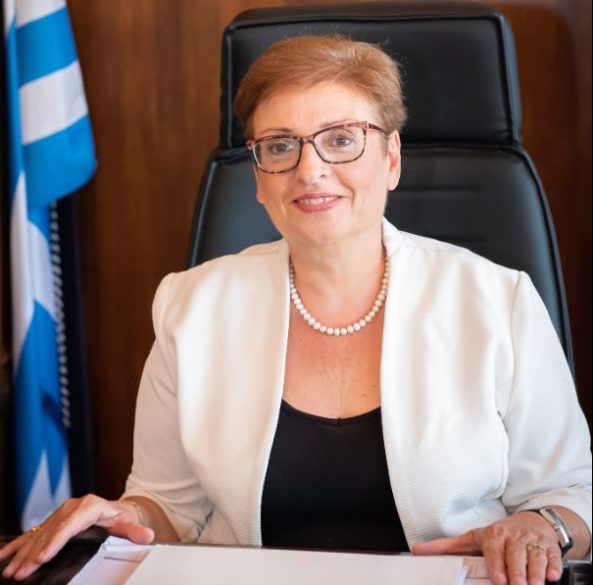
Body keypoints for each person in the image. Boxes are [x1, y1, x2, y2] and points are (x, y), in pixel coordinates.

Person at [1, 35, 591, 585]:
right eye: (281, 146)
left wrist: (543, 526)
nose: (310, 170)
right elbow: (169, 506)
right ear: (259, 178)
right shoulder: (192, 307)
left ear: (391, 158)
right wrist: (123, 515)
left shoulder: (498, 301)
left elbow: (574, 494)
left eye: (342, 139)